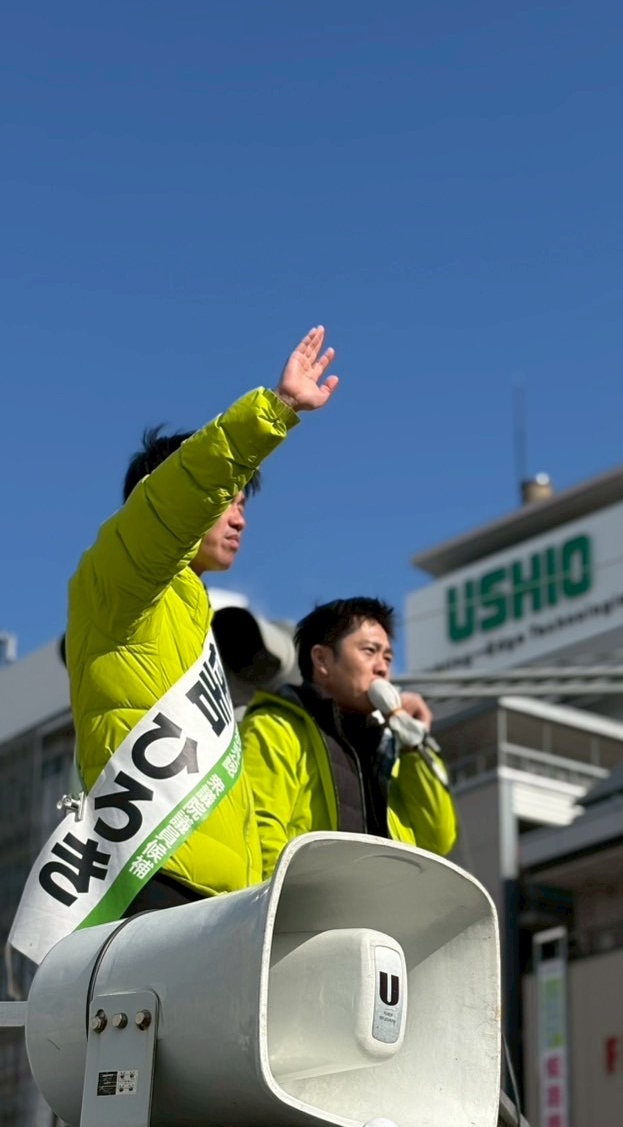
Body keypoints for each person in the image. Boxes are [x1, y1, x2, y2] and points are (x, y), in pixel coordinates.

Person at [11, 328, 340, 960]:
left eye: (243, 503)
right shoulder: (120, 575)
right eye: (228, 499)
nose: (240, 517)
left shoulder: (192, 614)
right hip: (149, 881)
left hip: (218, 903)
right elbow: (175, 500)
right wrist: (275, 410)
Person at [240, 597, 456, 876]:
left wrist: (414, 746)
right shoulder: (274, 727)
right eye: (369, 651)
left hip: (383, 902)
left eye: (388, 658)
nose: (382, 667)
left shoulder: (392, 750)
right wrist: (284, 900)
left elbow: (438, 839)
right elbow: (260, 827)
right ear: (322, 660)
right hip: (308, 901)